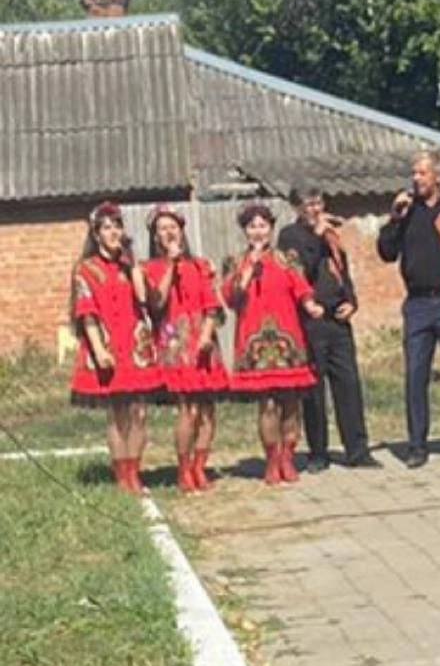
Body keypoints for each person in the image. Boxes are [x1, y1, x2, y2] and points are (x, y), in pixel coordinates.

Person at [377, 149, 440, 468]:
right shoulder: (407, 211)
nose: (416, 179)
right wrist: (394, 218)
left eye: (422, 173)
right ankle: (417, 444)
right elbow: (387, 252)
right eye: (413, 173)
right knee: (416, 374)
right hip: (418, 302)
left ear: (438, 176)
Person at [222, 202, 324, 484]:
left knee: (291, 404)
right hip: (254, 341)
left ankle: (287, 457)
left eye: (263, 225)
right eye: (252, 226)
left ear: (271, 229)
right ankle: (271, 459)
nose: (258, 231)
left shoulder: (286, 258)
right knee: (266, 404)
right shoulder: (234, 261)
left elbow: (301, 288)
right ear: (245, 231)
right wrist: (248, 269)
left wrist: (312, 305)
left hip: (287, 339)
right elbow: (231, 298)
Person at [278, 187, 379, 470]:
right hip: (311, 320)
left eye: (319, 202)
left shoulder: (331, 236)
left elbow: (342, 270)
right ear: (297, 208)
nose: (316, 209)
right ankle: (318, 452)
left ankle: (357, 449)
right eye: (309, 204)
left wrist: (352, 301)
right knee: (314, 389)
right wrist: (316, 236)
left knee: (348, 384)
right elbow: (301, 271)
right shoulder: (291, 237)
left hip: (338, 318)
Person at [70, 202, 162, 494]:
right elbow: (86, 312)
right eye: (107, 228)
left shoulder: (130, 264)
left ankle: (135, 470)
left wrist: (132, 263)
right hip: (107, 344)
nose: (113, 232)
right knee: (117, 412)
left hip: (135, 344)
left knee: (139, 412)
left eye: (117, 226)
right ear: (96, 235)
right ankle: (122, 474)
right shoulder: (86, 269)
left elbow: (144, 297)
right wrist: (98, 350)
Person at [143, 205, 229, 493]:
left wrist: (206, 334)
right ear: (155, 236)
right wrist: (170, 263)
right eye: (162, 228)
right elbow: (156, 303)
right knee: (187, 409)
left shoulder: (201, 265)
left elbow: (212, 305)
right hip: (175, 342)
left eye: (173, 227)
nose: (169, 232)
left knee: (207, 410)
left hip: (203, 339)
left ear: (182, 231)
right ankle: (183, 469)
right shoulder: (150, 268)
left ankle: (199, 466)